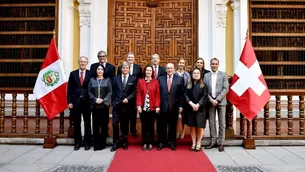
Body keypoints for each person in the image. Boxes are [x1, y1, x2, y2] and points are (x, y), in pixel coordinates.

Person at [111, 61, 137, 152]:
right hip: (116, 105)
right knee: (115, 124)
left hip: (127, 105)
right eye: (123, 67)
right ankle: (115, 142)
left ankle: (124, 141)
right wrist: (113, 101)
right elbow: (112, 91)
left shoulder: (133, 79)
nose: (125, 69)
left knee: (124, 124)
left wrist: (128, 98)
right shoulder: (115, 78)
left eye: (127, 68)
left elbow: (135, 92)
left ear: (129, 69)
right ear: (121, 69)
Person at [204, 58, 229, 152]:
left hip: (221, 102)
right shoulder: (206, 76)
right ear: (210, 65)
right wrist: (211, 100)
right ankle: (213, 141)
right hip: (210, 102)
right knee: (211, 122)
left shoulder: (223, 74)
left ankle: (221, 143)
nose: (214, 65)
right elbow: (205, 89)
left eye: (215, 64)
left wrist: (217, 100)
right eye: (212, 64)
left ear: (218, 65)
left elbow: (226, 88)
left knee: (222, 123)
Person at [157, 63, 184, 151]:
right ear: (165, 69)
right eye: (168, 68)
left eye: (171, 68)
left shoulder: (180, 79)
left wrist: (180, 106)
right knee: (162, 126)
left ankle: (171, 142)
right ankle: (161, 142)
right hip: (162, 106)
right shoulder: (160, 79)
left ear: (174, 69)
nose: (169, 70)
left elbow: (181, 94)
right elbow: (157, 94)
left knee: (172, 126)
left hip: (174, 106)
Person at [67, 56, 92, 151]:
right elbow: (69, 89)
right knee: (77, 123)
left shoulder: (91, 73)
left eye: (85, 61)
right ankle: (77, 142)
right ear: (78, 62)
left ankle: (87, 143)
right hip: (75, 102)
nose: (83, 63)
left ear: (87, 63)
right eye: (81, 61)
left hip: (87, 102)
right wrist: (69, 101)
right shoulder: (73, 74)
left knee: (87, 123)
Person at [90, 50, 115, 137]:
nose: (102, 57)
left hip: (105, 97)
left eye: (103, 56)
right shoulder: (93, 66)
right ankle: (96, 137)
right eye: (100, 56)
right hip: (95, 97)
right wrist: (95, 98)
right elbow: (91, 80)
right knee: (96, 120)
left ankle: (105, 133)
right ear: (98, 57)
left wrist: (105, 98)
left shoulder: (111, 67)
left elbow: (111, 82)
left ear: (106, 57)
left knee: (105, 119)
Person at [117, 52, 142, 137]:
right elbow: (118, 81)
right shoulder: (121, 67)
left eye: (132, 57)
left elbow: (140, 80)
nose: (130, 59)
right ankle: (123, 131)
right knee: (123, 115)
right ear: (126, 58)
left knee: (133, 114)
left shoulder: (138, 68)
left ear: (134, 59)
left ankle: (133, 130)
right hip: (123, 95)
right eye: (129, 57)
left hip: (133, 94)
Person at [136, 65, 160, 151]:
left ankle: (150, 142)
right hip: (143, 108)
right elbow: (138, 94)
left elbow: (157, 95)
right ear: (145, 72)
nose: (148, 72)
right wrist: (138, 105)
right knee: (144, 125)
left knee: (151, 125)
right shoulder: (140, 81)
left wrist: (157, 106)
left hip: (153, 107)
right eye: (147, 70)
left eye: (150, 71)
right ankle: (144, 142)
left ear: (152, 72)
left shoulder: (156, 81)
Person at [88, 65, 112, 151]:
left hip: (104, 106)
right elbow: (89, 92)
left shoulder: (107, 80)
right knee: (95, 125)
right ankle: (96, 144)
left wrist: (103, 100)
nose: (100, 70)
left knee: (104, 125)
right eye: (98, 69)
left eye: (102, 69)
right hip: (95, 106)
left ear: (104, 71)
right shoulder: (92, 80)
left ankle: (102, 143)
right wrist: (95, 99)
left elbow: (110, 92)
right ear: (96, 70)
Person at [185, 68, 208, 152]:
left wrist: (198, 105)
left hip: (200, 109)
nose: (196, 74)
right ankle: (193, 143)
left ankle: (199, 143)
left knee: (200, 127)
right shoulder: (188, 84)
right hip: (190, 108)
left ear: (200, 74)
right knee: (192, 126)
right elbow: (185, 95)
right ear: (192, 74)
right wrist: (191, 104)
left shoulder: (204, 85)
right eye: (194, 73)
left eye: (197, 73)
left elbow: (205, 96)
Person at [174, 58, 191, 140]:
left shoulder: (187, 75)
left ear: (184, 65)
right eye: (180, 63)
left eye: (183, 63)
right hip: (175, 97)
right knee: (176, 115)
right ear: (177, 64)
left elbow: (189, 87)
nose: (181, 64)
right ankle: (177, 130)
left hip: (185, 97)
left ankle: (183, 131)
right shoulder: (174, 74)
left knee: (184, 115)